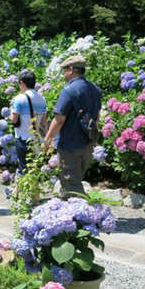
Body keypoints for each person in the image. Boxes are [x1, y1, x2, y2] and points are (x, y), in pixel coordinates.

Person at [43, 55, 102, 196]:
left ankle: (87, 213)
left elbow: (59, 119)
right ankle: (70, 211)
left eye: (64, 70)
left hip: (69, 146)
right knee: (75, 180)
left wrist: (47, 140)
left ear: (71, 70)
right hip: (87, 144)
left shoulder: (69, 90)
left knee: (72, 186)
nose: (63, 74)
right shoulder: (95, 89)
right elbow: (97, 117)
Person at [10, 70, 47, 173]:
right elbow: (43, 123)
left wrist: (11, 111)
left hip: (23, 138)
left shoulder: (19, 99)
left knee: (23, 169)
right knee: (34, 169)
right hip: (36, 139)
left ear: (21, 83)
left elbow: (14, 120)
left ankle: (22, 188)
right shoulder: (42, 99)